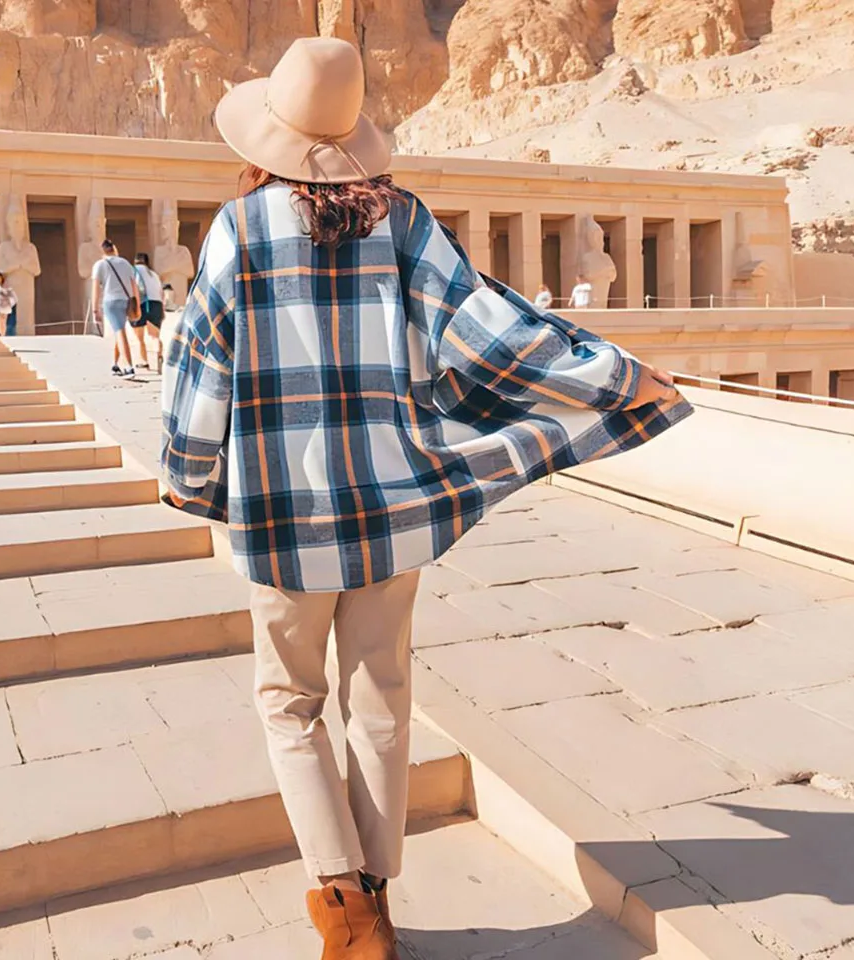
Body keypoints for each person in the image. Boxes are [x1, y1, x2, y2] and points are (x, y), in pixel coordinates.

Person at [159, 37, 690, 960]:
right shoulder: (402, 222)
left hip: (284, 515)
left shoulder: (237, 231)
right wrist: (616, 375)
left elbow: (202, 367)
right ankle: (375, 898)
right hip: (392, 508)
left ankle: (344, 908)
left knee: (290, 705)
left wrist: (191, 476)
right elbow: (495, 333)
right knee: (382, 701)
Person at [90, 239, 137, 377]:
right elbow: (134, 285)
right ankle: (116, 364)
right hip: (126, 300)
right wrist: (137, 305)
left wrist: (95, 309)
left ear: (102, 251)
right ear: (114, 249)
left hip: (111, 301)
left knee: (120, 331)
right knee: (119, 329)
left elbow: (95, 289)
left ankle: (129, 366)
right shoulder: (125, 263)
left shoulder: (100, 264)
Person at [133, 252, 165, 370]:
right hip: (156, 304)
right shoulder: (154, 274)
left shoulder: (134, 271)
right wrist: (162, 310)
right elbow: (161, 293)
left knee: (140, 338)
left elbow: (135, 288)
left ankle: (144, 361)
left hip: (141, 304)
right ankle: (159, 356)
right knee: (155, 336)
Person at [0, 272, 17, 337]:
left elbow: (12, 295)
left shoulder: (4, 286)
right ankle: (1, 334)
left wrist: (10, 302)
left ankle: (3, 334)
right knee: (0, 321)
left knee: (4, 322)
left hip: (5, 306)